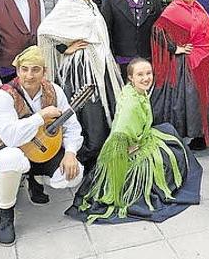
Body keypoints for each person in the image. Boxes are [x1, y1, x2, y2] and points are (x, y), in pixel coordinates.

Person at [66, 58, 202, 223]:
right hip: (126, 152)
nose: (146, 78)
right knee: (171, 150)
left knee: (168, 132)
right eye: (140, 75)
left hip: (140, 137)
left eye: (148, 73)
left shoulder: (133, 90)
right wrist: (130, 148)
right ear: (131, 77)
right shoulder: (130, 105)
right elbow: (120, 134)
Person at [0, 46, 83, 245]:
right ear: (17, 70)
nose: (29, 75)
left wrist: (71, 153)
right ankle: (5, 216)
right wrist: (40, 117)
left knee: (74, 174)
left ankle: (36, 178)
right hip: (10, 149)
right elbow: (11, 138)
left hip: (41, 150)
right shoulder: (3, 96)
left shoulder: (54, 90)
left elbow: (72, 125)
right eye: (24, 69)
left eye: (35, 70)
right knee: (10, 158)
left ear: (44, 72)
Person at [38, 0, 123, 172]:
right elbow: (45, 30)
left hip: (99, 64)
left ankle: (100, 155)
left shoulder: (90, 3)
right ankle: (85, 156)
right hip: (81, 67)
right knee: (88, 111)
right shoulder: (67, 2)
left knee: (102, 110)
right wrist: (63, 48)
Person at [151, 0, 209, 150]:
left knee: (200, 96)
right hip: (183, 62)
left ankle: (198, 134)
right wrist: (174, 48)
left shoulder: (198, 7)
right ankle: (182, 133)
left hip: (202, 59)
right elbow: (157, 30)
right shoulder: (173, 9)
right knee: (186, 98)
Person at [101, 0, 163, 80]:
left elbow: (159, 31)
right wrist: (112, 61)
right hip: (122, 61)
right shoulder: (110, 0)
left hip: (148, 60)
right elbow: (105, 32)